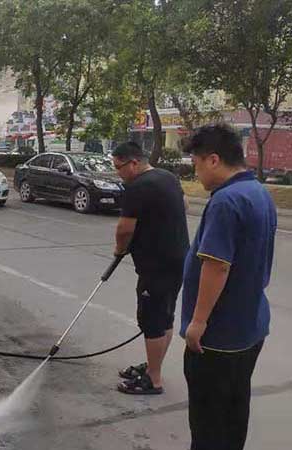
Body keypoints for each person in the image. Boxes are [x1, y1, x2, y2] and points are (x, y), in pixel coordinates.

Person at [181, 124, 276, 450]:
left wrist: (198, 323)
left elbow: (217, 265)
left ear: (213, 160)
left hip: (218, 337)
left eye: (195, 163)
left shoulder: (226, 201)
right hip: (249, 328)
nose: (196, 172)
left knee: (208, 424)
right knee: (234, 413)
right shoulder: (260, 192)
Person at [111, 141, 189, 395]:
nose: (118, 173)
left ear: (133, 163)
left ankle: (153, 380)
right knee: (165, 316)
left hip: (156, 266)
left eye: (119, 167)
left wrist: (119, 250)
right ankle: (154, 366)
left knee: (152, 319)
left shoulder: (138, 187)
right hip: (178, 260)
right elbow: (183, 207)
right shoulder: (168, 177)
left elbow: (124, 229)